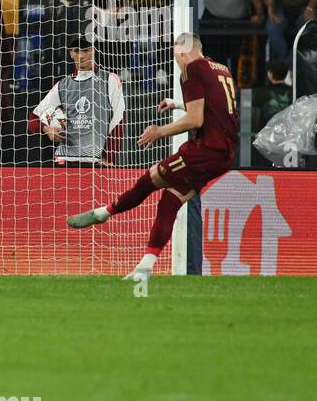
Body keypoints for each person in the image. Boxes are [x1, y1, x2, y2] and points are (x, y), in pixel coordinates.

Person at [68, 33, 238, 284]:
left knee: (150, 179)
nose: (176, 61)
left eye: (174, 55)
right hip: (225, 155)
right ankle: (144, 268)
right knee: (170, 201)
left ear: (181, 52)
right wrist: (178, 103)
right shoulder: (221, 68)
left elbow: (196, 120)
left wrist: (160, 131)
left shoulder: (191, 69)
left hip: (205, 150)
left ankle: (105, 212)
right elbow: (217, 107)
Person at [27, 37, 125, 165]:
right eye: (77, 51)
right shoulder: (63, 85)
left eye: (86, 50)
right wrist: (47, 129)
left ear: (93, 51)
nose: (81, 56)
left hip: (96, 160)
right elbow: (33, 118)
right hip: (65, 159)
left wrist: (109, 155)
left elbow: (119, 119)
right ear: (71, 53)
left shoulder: (109, 79)